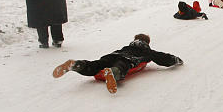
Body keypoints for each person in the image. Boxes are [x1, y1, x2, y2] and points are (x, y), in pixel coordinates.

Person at [52, 33, 183, 93]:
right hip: (127, 59)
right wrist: (176, 60)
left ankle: (77, 65)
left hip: (111, 55)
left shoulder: (126, 47)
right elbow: (163, 58)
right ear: (147, 43)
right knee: (122, 66)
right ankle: (113, 73)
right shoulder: (147, 51)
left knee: (96, 65)